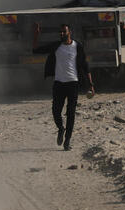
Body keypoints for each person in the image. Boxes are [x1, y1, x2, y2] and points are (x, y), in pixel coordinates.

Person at [33, 23, 94, 151]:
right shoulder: (56, 46)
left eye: (63, 32)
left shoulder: (77, 46)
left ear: (69, 32)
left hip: (73, 83)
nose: (61, 34)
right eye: (60, 32)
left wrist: (91, 85)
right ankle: (61, 129)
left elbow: (85, 65)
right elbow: (35, 50)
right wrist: (36, 35)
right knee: (56, 111)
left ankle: (67, 141)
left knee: (71, 113)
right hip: (59, 83)